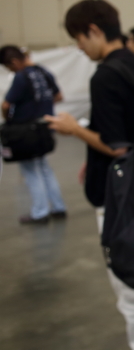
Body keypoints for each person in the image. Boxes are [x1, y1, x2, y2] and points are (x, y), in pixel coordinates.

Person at [47, 0, 134, 350]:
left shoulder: (105, 76)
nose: (79, 48)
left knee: (129, 286)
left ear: (94, 31)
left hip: (119, 199)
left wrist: (74, 130)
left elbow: (117, 147)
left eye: (79, 39)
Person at [0, 45, 67, 223]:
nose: (10, 70)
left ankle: (40, 212)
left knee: (31, 171)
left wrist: (9, 119)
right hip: (44, 128)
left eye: (8, 67)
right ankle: (58, 207)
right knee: (44, 168)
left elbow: (6, 105)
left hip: (25, 132)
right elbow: (59, 96)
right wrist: (42, 107)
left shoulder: (21, 77)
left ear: (14, 62)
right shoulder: (43, 72)